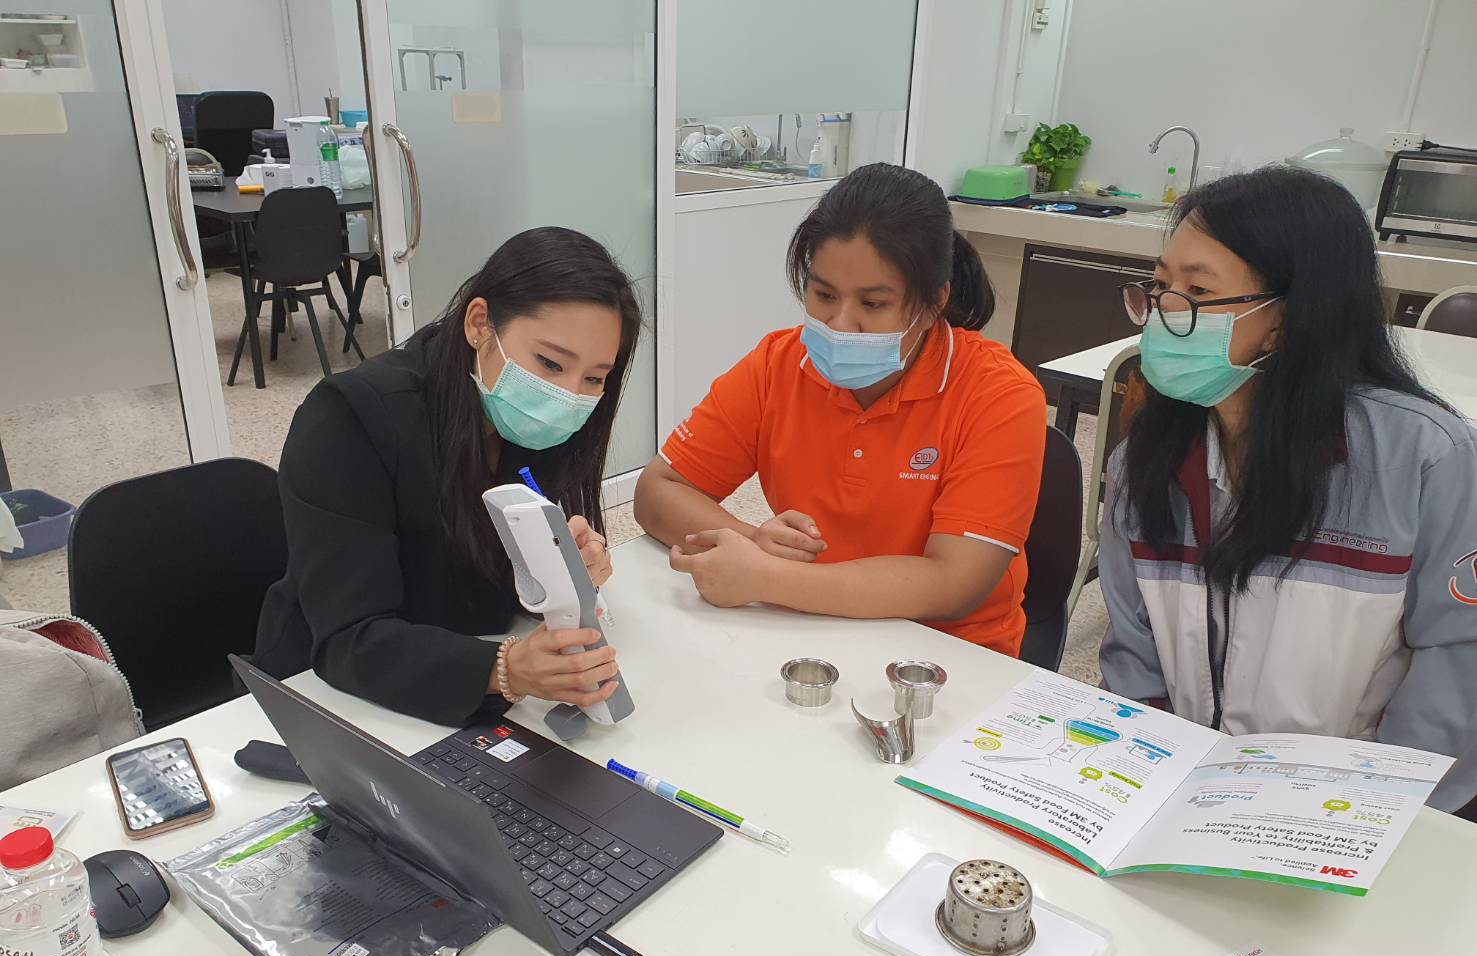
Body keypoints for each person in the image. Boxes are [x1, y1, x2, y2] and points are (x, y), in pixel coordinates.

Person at [1098, 165, 1477, 814]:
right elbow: (1134, 654)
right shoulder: (1145, 463)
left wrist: (1377, 814)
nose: (1162, 314)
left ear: (1287, 318)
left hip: (1347, 814)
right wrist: (1142, 785)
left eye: (1196, 291)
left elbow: (1457, 661)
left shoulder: (1423, 457)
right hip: (1180, 799)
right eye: (1159, 287)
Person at [634, 164, 1046, 656]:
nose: (841, 323)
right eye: (824, 295)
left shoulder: (998, 394)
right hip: (805, 628)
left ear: (933, 303)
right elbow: (659, 491)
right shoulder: (779, 363)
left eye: (873, 304)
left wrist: (768, 578)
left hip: (944, 653)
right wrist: (751, 542)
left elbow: (955, 584)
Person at [253, 227, 637, 725]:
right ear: (479, 324)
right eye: (550, 363)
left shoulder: (524, 423)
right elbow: (349, 638)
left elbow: (480, 573)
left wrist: (558, 569)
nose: (567, 395)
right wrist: (505, 670)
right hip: (326, 696)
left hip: (452, 664)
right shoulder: (351, 418)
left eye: (594, 377)